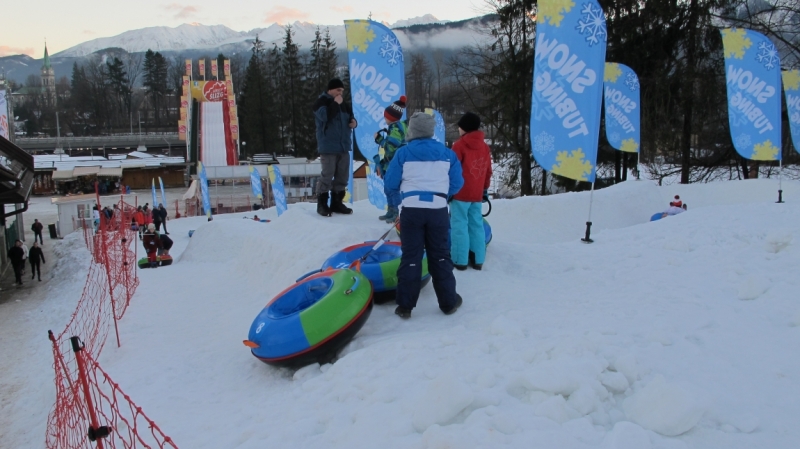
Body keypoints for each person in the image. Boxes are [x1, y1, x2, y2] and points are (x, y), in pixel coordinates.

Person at [384, 112, 464, 319]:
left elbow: (390, 183)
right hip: (437, 211)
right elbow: (457, 183)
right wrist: (442, 197)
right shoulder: (448, 154)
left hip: (410, 211)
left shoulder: (403, 153)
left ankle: (405, 306)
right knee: (440, 256)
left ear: (412, 130)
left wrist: (396, 205)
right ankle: (448, 302)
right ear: (431, 131)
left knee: (411, 256)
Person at [450, 112, 493, 271]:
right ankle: (478, 259)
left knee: (459, 225)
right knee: (476, 225)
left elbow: (451, 171)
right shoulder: (485, 147)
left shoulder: (458, 146)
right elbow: (488, 171)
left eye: (460, 127)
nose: (458, 129)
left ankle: (460, 260)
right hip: (476, 194)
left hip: (460, 194)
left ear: (465, 128)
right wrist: (484, 189)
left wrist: (449, 190)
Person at [313, 78, 358, 217]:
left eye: (342, 91)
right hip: (328, 146)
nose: (340, 93)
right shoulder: (321, 102)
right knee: (327, 175)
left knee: (342, 177)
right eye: (338, 90)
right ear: (330, 89)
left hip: (343, 146)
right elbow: (325, 116)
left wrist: (354, 122)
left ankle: (336, 202)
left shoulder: (344, 104)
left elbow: (350, 116)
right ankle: (322, 204)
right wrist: (334, 104)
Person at [373, 95, 408, 223]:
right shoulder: (396, 128)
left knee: (393, 189)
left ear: (390, 117)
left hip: (395, 164)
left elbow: (391, 147)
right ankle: (391, 210)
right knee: (388, 188)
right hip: (391, 164)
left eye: (385, 116)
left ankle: (397, 213)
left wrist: (379, 140)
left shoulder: (395, 129)